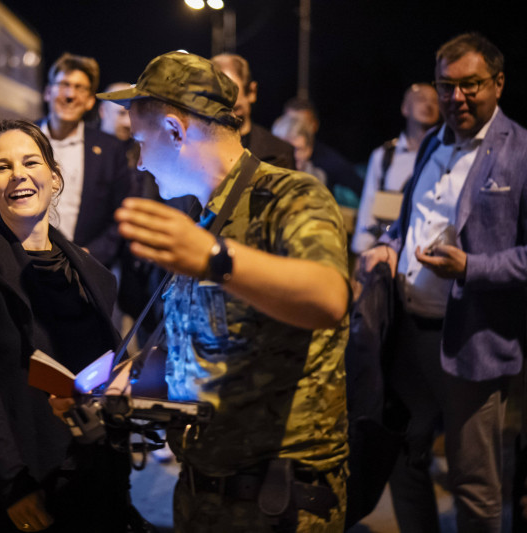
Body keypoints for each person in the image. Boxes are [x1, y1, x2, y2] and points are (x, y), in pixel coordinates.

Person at [98, 50, 350, 532]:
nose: (139, 160)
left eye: (139, 140)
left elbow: (328, 297)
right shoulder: (206, 217)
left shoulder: (290, 196)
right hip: (204, 493)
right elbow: (212, 342)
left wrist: (215, 258)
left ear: (175, 130)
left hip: (277, 504)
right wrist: (131, 380)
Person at [361, 32, 527, 532]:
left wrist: (471, 269)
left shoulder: (523, 152)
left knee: (474, 482)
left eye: (471, 85)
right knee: (404, 462)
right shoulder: (431, 143)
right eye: (446, 86)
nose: (456, 97)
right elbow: (407, 221)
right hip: (407, 339)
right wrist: (387, 247)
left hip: (471, 342)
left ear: (498, 84)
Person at [0, 120, 131, 532]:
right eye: (2, 167)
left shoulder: (91, 272)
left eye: (30, 161)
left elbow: (111, 361)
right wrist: (13, 482)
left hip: (92, 477)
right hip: (22, 483)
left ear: (54, 178)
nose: (18, 174)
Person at [0, 54, 130, 269]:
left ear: (91, 100)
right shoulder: (15, 139)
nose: (70, 95)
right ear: (47, 92)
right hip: (19, 265)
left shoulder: (111, 150)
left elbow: (121, 216)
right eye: (64, 84)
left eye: (80, 88)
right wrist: (8, 249)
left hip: (83, 268)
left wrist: (89, 255)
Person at [351, 83, 440, 253]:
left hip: (423, 250)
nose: (428, 105)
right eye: (421, 99)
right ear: (405, 108)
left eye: (435, 101)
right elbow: (369, 204)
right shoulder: (385, 155)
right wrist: (362, 249)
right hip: (384, 247)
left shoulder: (442, 156)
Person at [210, 53, 295, 170]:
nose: (228, 116)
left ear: (252, 92)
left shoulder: (279, 153)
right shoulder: (195, 151)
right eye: (219, 109)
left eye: (236, 109)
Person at [281, 97, 363, 206]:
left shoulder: (328, 162)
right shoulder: (271, 156)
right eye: (290, 122)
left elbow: (362, 189)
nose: (295, 128)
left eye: (302, 124)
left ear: (314, 125)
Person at [271, 113, 327, 185]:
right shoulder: (264, 175)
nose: (293, 155)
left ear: (309, 150)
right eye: (285, 149)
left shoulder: (316, 178)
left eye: (298, 149)